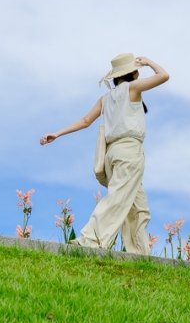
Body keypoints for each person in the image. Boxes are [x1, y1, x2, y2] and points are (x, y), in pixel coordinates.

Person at [40, 53, 169, 252]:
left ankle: (139, 254)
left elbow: (85, 121)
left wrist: (57, 134)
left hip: (112, 154)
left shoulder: (106, 98)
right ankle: (90, 240)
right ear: (133, 73)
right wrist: (149, 62)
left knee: (138, 207)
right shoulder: (132, 88)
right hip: (128, 152)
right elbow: (164, 76)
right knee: (118, 199)